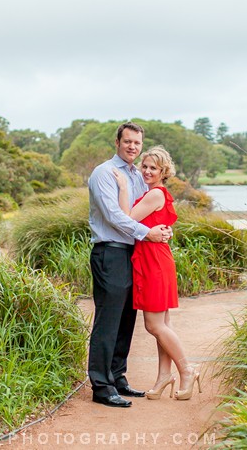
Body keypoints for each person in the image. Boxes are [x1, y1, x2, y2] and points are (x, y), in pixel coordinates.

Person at [87, 122, 173, 408]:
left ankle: (117, 377)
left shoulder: (138, 175)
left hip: (134, 254)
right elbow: (115, 216)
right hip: (110, 252)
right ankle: (101, 386)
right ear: (117, 142)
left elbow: (143, 211)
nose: (132, 147)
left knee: (126, 319)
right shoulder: (104, 173)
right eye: (127, 141)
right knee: (108, 320)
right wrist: (148, 233)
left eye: (137, 142)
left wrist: (162, 229)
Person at [112, 145, 201, 401]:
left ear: (163, 171)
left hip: (154, 262)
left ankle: (187, 370)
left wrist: (123, 188)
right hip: (154, 258)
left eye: (154, 168)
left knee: (154, 325)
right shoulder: (155, 194)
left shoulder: (155, 194)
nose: (147, 171)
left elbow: (127, 218)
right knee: (163, 324)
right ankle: (164, 376)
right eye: (145, 166)